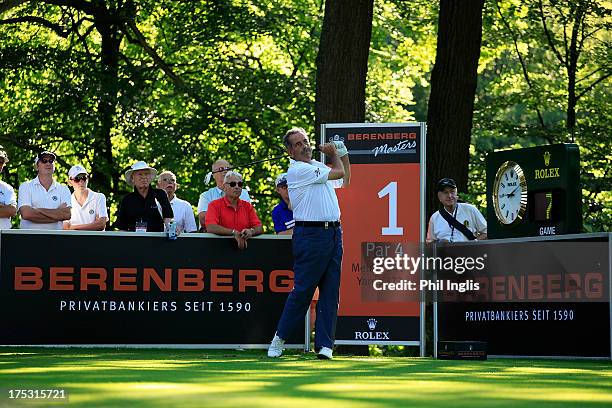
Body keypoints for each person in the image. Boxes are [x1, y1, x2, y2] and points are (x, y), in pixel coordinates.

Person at [268, 127, 349, 360]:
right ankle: (279, 339)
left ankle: (325, 346)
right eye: (297, 144)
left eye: (305, 141)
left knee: (330, 291)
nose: (304, 145)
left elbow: (345, 177)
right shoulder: (298, 170)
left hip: (334, 233)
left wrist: (341, 153)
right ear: (290, 152)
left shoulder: (316, 167)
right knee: (303, 291)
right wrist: (334, 154)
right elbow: (339, 171)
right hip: (311, 235)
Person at [205, 170, 262, 249]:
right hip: (219, 251)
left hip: (245, 254)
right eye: (233, 184)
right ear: (224, 187)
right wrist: (233, 232)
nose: (237, 187)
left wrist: (251, 231)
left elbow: (259, 227)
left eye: (240, 184)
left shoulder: (247, 206)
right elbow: (211, 227)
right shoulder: (214, 205)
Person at [18, 151, 71, 230]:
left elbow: (66, 215)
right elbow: (26, 214)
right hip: (30, 238)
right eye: (44, 161)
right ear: (36, 166)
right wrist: (57, 213)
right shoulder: (25, 186)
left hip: (55, 238)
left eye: (51, 161)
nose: (48, 164)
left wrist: (36, 210)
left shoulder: (64, 189)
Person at [116, 161, 173, 232]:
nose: (144, 177)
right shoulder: (127, 199)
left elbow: (168, 219)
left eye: (146, 174)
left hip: (157, 240)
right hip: (134, 240)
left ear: (150, 177)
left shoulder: (160, 194)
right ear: (132, 178)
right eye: (140, 174)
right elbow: (122, 228)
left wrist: (173, 229)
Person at [426, 178, 487, 243]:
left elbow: (486, 232)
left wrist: (474, 243)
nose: (449, 196)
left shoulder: (470, 210)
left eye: (452, 192)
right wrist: (440, 244)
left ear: (456, 193)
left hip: (469, 252)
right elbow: (430, 242)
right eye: (445, 193)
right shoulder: (434, 218)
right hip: (445, 253)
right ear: (439, 197)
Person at [197, 159, 251, 231]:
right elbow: (204, 220)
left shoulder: (243, 193)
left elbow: (248, 218)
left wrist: (216, 218)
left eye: (228, 169)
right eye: (221, 169)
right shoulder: (206, 196)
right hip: (213, 239)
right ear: (213, 175)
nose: (225, 171)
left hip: (240, 237)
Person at [63, 165, 108, 231]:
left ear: (87, 179)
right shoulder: (66, 202)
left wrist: (72, 227)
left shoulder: (99, 197)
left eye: (84, 178)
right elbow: (65, 227)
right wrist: (94, 225)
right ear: (70, 182)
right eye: (77, 179)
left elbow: (101, 225)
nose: (81, 181)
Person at [0, 148, 17, 229]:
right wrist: (3, 206)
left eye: (1, 162)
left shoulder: (7, 188)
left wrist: (7, 209)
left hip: (3, 237)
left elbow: (12, 211)